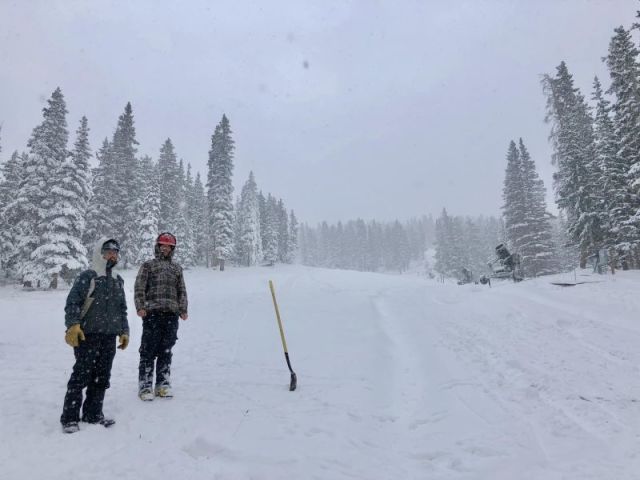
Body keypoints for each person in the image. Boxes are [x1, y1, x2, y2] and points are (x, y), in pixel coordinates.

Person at [60, 237, 129, 433]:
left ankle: (93, 414)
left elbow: (122, 309)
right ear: (100, 253)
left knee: (101, 377)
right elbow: (72, 303)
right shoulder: (88, 276)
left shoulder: (117, 279)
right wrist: (73, 325)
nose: (112, 255)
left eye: (115, 251)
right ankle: (70, 418)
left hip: (109, 337)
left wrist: (124, 331)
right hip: (87, 335)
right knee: (81, 376)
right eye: (108, 251)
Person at [134, 232, 188, 401]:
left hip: (171, 314)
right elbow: (139, 287)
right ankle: (145, 385)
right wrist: (140, 306)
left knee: (166, 349)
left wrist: (183, 309)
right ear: (157, 247)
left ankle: (162, 384)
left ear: (172, 249)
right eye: (162, 245)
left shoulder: (176, 268)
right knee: (148, 350)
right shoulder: (148, 265)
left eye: (168, 246)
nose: (165, 249)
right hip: (152, 313)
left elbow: (182, 290)